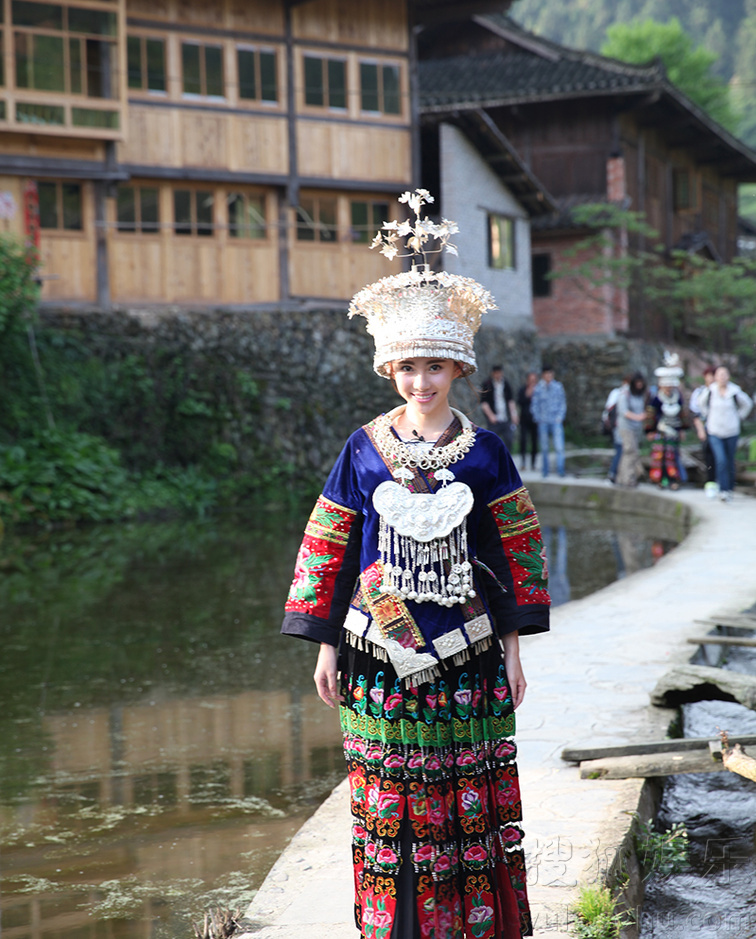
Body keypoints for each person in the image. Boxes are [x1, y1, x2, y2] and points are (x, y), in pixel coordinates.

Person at [281, 192, 550, 939]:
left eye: (435, 366)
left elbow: (514, 550)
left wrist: (514, 647)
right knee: (388, 797)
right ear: (388, 367)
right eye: (407, 367)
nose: (421, 381)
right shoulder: (362, 447)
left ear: (458, 367)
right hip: (378, 653)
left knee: (467, 794)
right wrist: (327, 644)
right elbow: (330, 546)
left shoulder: (487, 451)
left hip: (467, 658)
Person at [697, 365, 752, 502]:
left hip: (731, 431)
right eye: (719, 374)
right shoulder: (710, 391)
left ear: (728, 376)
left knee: (729, 460)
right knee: (720, 460)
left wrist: (739, 416)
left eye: (725, 374)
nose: (722, 377)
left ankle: (728, 488)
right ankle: (722, 489)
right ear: (715, 376)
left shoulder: (735, 391)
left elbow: (747, 404)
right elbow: (701, 404)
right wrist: (707, 416)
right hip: (715, 431)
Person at [647, 353, 687, 490]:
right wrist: (650, 430)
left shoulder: (678, 397)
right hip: (661, 431)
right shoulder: (656, 399)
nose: (668, 388)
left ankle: (673, 480)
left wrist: (682, 429)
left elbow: (683, 414)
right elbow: (650, 416)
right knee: (660, 457)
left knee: (673, 457)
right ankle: (660, 480)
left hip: (674, 431)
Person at [530, 365, 566, 477]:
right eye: (546, 374)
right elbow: (534, 404)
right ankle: (545, 471)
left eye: (550, 374)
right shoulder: (538, 388)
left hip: (556, 420)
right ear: (543, 375)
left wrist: (560, 417)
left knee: (559, 446)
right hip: (543, 421)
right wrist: (538, 418)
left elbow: (562, 403)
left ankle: (561, 470)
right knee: (544, 447)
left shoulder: (558, 387)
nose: (548, 376)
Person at [614, 372, 648, 488]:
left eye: (641, 383)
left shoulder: (640, 395)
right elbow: (624, 412)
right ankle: (628, 478)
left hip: (636, 428)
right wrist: (639, 417)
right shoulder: (625, 394)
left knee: (629, 453)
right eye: (637, 383)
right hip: (626, 427)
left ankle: (621, 478)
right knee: (630, 452)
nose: (639, 385)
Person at [689, 366, 717, 495]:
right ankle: (711, 482)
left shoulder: (723, 391)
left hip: (720, 428)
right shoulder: (700, 392)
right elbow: (696, 414)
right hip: (706, 428)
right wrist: (700, 430)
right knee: (709, 455)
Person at [480, 365, 518, 451]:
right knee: (493, 440)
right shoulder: (487, 384)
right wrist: (491, 416)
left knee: (509, 439)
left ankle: (507, 458)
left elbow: (510, 400)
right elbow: (484, 402)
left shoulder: (506, 384)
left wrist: (514, 414)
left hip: (505, 417)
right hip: (494, 418)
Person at [603, 376, 630, 483]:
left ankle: (619, 475)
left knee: (623, 451)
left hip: (625, 428)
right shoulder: (618, 393)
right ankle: (612, 474)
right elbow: (609, 410)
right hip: (618, 427)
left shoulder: (628, 395)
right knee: (619, 450)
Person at [517, 372, 538, 471]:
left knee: (534, 442)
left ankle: (533, 463)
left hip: (535, 420)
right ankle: (523, 462)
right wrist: (528, 393)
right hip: (525, 419)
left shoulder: (539, 390)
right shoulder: (523, 390)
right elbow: (520, 401)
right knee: (523, 441)